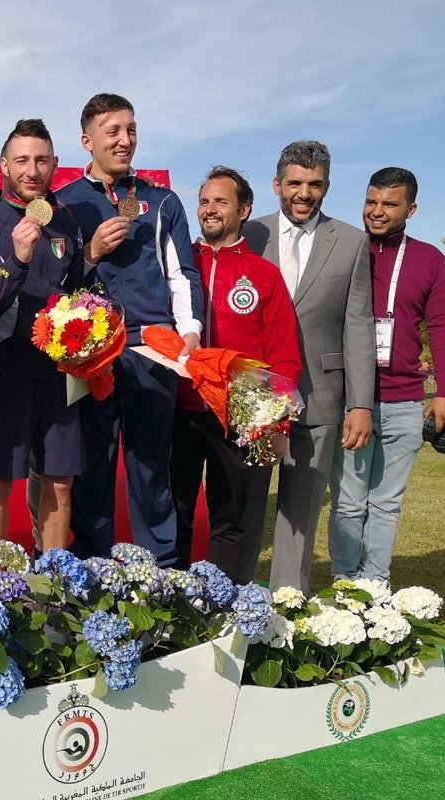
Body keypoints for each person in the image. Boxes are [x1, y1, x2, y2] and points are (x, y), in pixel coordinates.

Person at [55, 93, 203, 564]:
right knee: (92, 468)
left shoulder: (162, 202)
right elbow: (53, 281)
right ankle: (93, 572)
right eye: (113, 131)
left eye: (131, 130)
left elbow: (184, 275)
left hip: (150, 350)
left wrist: (190, 332)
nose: (125, 140)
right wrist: (91, 253)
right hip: (90, 353)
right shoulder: (63, 204)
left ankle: (159, 576)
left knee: (149, 469)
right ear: (87, 141)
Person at [241, 140, 375, 592]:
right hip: (254, 399)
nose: (304, 193)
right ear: (277, 184)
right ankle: (236, 598)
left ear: (327, 187)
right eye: (295, 182)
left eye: (315, 184)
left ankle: (286, 605)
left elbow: (358, 327)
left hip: (321, 395)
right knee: (246, 507)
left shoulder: (352, 242)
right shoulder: (251, 236)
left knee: (300, 515)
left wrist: (360, 404)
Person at [327, 167, 445, 586]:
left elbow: (441, 328)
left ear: (411, 208)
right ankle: (346, 584)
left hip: (403, 399)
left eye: (389, 204)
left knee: (385, 503)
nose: (377, 212)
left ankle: (376, 585)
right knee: (349, 501)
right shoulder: (346, 248)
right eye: (371, 202)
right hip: (351, 399)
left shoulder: (429, 259)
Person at [169, 167, 301, 582]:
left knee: (230, 518)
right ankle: (170, 599)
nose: (209, 210)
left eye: (220, 201)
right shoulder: (178, 266)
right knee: (176, 511)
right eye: (204, 201)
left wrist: (277, 423)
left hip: (238, 418)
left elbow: (284, 357)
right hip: (180, 410)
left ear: (243, 209)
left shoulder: (264, 276)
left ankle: (217, 606)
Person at [0, 119, 84, 558]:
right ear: (4, 165)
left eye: (41, 160)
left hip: (59, 372)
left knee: (60, 479)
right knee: (0, 479)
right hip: (6, 369)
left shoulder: (67, 223)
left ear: (56, 164)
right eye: (21, 160)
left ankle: (55, 581)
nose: (32, 170)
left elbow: (81, 295)